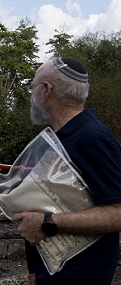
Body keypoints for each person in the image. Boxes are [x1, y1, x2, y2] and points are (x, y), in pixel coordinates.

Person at [11, 57, 121, 284]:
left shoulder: (93, 139)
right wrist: (36, 270)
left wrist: (47, 222)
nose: (32, 96)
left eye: (32, 88)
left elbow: (118, 213)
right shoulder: (59, 140)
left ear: (46, 90)